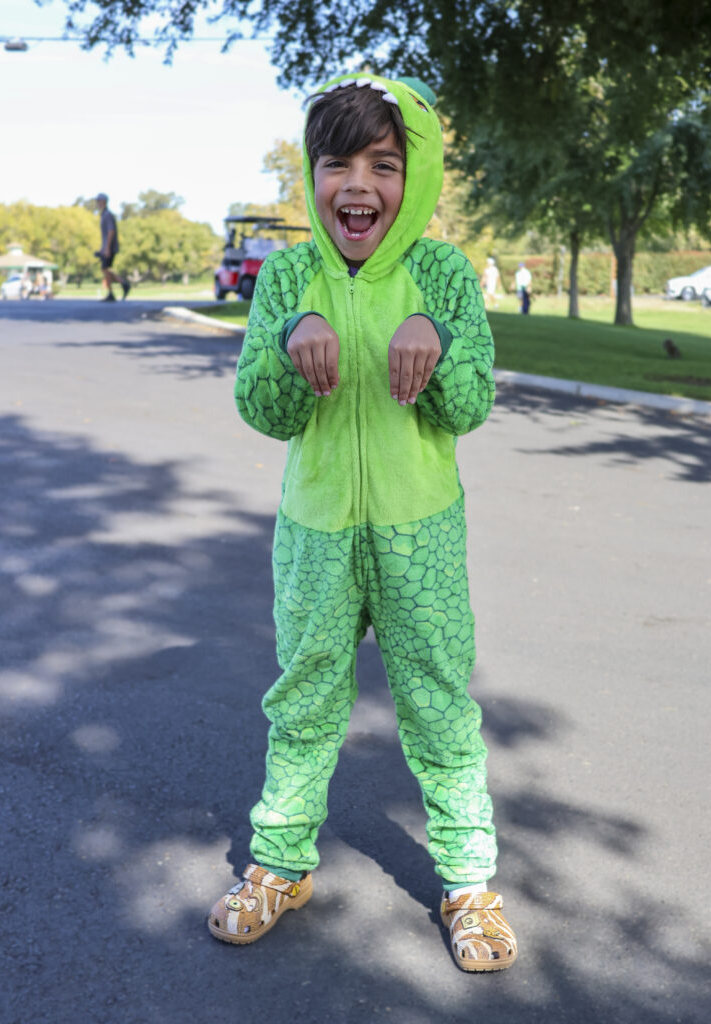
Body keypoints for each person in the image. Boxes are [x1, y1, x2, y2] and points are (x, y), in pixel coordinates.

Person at [207, 74, 517, 973]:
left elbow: (466, 408)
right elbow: (263, 412)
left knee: (437, 703)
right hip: (316, 531)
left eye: (384, 164)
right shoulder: (288, 273)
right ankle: (279, 864)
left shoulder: (447, 274)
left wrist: (434, 330)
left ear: (412, 180)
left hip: (421, 533)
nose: (358, 182)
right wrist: (290, 335)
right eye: (337, 161)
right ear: (313, 176)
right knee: (302, 698)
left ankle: (468, 884)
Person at [94, 193, 130, 301]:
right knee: (105, 270)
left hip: (109, 247)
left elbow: (111, 231)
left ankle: (118, 287)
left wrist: (107, 248)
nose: (97, 203)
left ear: (103, 202)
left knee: (105, 269)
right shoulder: (103, 215)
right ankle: (121, 286)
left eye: (99, 201)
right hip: (105, 247)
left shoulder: (107, 215)